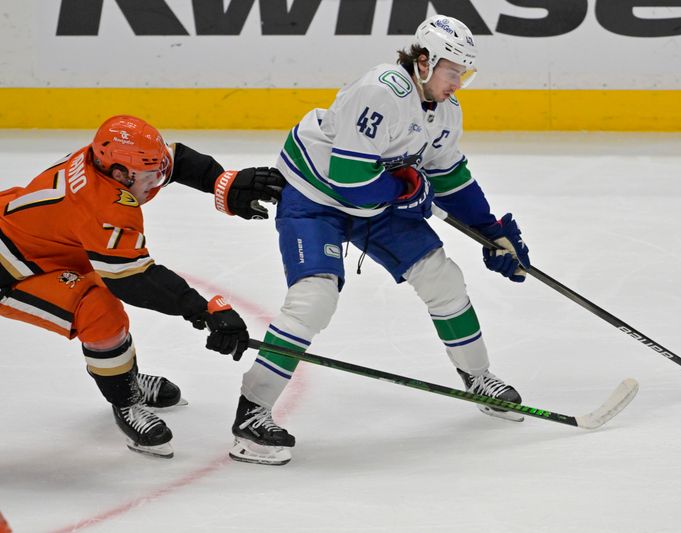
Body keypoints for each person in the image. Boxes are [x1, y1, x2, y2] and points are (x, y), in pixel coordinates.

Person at [229, 15, 532, 465]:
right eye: (454, 71)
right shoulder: (382, 91)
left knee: (442, 279)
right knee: (314, 299)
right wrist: (408, 191)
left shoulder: (446, 110)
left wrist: (491, 231)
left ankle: (478, 376)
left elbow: (448, 175)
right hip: (317, 197)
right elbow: (350, 179)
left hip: (375, 202)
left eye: (464, 73)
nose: (459, 83)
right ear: (425, 61)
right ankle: (252, 413)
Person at [0, 115, 285, 458]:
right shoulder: (103, 206)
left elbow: (175, 160)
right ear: (119, 174)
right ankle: (127, 401)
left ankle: (126, 378)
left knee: (100, 301)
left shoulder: (112, 163)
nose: (157, 181)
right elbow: (134, 280)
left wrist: (222, 181)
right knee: (99, 312)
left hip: (41, 243)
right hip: (14, 268)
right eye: (150, 175)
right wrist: (203, 310)